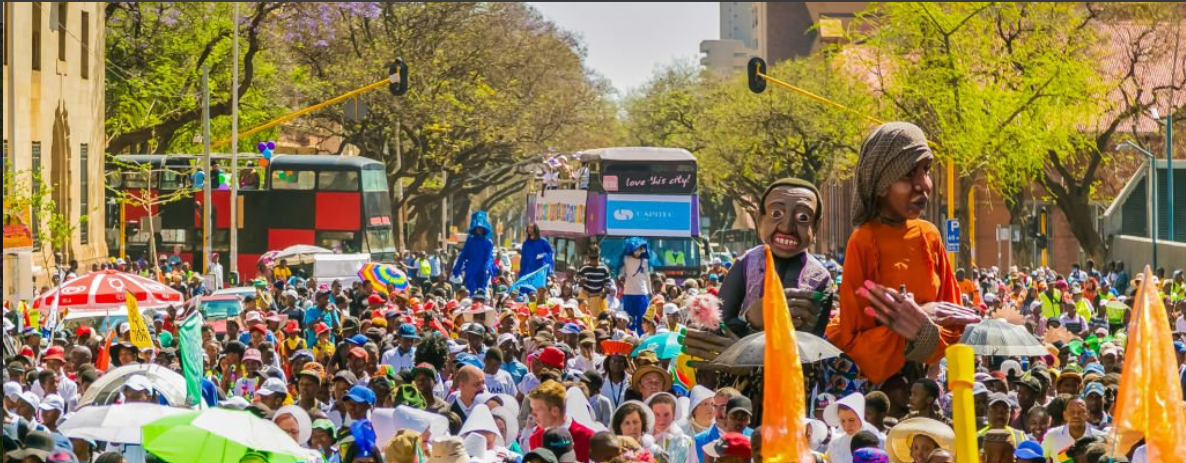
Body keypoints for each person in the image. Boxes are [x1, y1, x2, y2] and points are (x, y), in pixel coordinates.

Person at [826, 122, 979, 385]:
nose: (924, 185)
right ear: (881, 185)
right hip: (878, 393)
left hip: (928, 386)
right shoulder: (862, 242)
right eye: (909, 174)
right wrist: (921, 319)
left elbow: (954, 325)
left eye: (926, 170)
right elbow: (856, 342)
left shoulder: (929, 235)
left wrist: (920, 326)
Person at [528, 381, 595, 462]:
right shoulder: (535, 438)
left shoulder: (587, 437)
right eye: (532, 409)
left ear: (555, 411)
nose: (532, 414)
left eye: (537, 410)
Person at [824, 393, 884, 463]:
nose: (847, 425)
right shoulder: (835, 445)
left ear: (861, 416)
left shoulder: (881, 442)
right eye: (842, 421)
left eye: (851, 420)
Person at [451, 211, 498, 293]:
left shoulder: (488, 242)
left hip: (482, 268)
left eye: (481, 228)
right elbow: (463, 255)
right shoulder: (470, 240)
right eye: (477, 227)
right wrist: (458, 267)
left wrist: (486, 268)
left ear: (484, 229)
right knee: (470, 288)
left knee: (481, 289)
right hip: (471, 267)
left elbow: (489, 257)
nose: (479, 229)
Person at [618, 238, 653, 334]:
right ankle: (630, 337)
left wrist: (650, 292)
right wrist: (620, 277)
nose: (637, 252)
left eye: (640, 249)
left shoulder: (645, 261)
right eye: (636, 249)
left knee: (643, 319)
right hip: (629, 293)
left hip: (642, 293)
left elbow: (647, 277)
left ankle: (642, 337)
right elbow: (621, 271)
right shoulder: (626, 259)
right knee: (629, 319)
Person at [577, 246, 612, 318]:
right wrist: (581, 282)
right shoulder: (584, 268)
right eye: (591, 259)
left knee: (596, 319)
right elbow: (578, 280)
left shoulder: (604, 268)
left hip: (597, 298)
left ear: (599, 257)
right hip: (585, 297)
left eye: (595, 258)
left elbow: (607, 282)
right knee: (583, 317)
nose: (593, 261)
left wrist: (606, 290)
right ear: (588, 258)